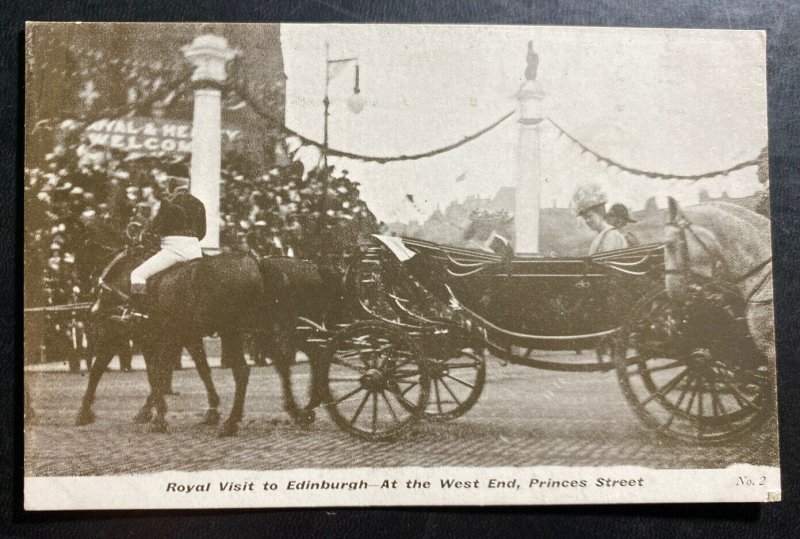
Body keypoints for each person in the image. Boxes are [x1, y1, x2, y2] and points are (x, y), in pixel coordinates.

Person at [114, 174, 206, 323]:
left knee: (137, 274)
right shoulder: (190, 204)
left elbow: (151, 232)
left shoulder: (164, 205)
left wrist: (139, 238)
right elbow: (201, 232)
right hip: (195, 248)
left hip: (174, 248)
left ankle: (137, 312)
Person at [572, 184, 628, 255]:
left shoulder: (612, 235)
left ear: (601, 212)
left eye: (589, 216)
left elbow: (607, 264)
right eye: (585, 218)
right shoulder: (601, 237)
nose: (587, 221)